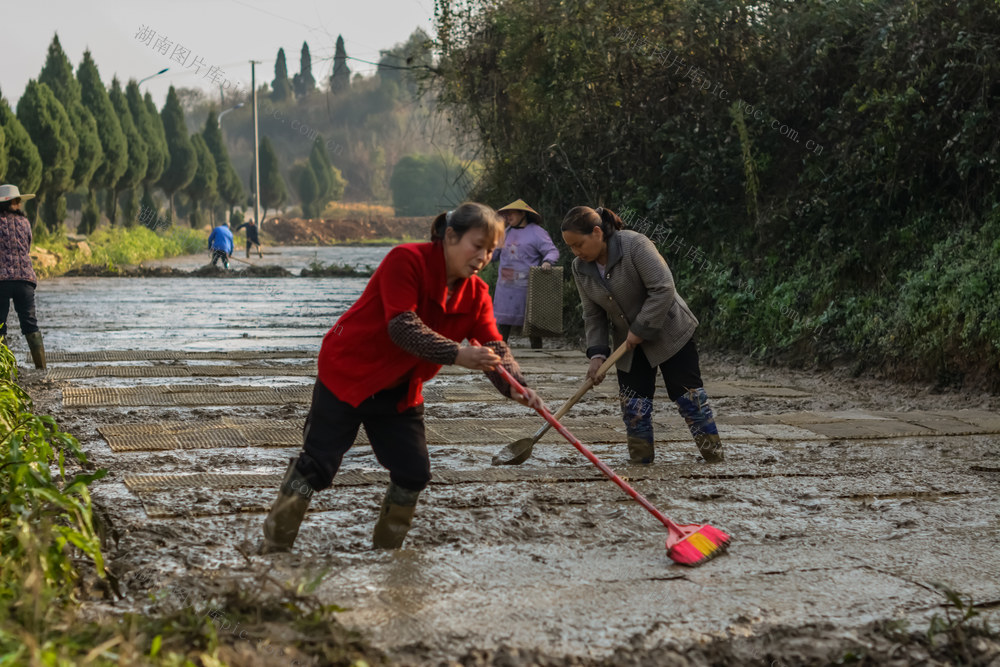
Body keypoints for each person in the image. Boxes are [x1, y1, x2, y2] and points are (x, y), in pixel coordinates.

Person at [258, 202, 545, 553]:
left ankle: (387, 553)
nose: (483, 257)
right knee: (317, 467)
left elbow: (494, 348)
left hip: (400, 390)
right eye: (477, 245)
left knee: (413, 473)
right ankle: (275, 542)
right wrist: (457, 354)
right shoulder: (405, 260)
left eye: (490, 251)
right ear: (450, 237)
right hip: (349, 375)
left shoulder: (477, 295)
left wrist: (518, 388)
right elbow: (403, 327)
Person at [561, 206, 725, 464]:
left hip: (669, 329)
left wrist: (640, 329)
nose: (576, 252)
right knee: (634, 406)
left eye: (579, 244)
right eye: (571, 247)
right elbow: (592, 315)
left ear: (596, 232)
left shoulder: (634, 244)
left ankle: (714, 458)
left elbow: (663, 288)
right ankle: (641, 464)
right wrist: (597, 355)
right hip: (627, 343)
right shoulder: (580, 268)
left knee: (689, 398)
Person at [490, 199, 559, 349]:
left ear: (523, 214)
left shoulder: (537, 232)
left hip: (527, 287)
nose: (508, 217)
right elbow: (493, 255)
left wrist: (547, 262)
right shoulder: (505, 233)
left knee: (532, 321)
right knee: (502, 320)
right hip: (505, 288)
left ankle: (537, 351)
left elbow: (552, 250)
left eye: (511, 213)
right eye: (506, 214)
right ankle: (499, 351)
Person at [0, 184, 45, 369]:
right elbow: (27, 247)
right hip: (25, 279)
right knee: (30, 324)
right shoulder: (25, 222)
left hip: (1, 281)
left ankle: (4, 371)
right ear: (15, 203)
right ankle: (42, 369)